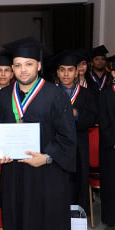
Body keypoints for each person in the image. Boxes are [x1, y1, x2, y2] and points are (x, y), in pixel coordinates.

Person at [0, 37, 77, 230]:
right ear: (13, 68)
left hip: (48, 175)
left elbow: (68, 138)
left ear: (38, 66)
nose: (23, 69)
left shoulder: (56, 95)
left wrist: (47, 158)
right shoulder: (2, 97)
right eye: (18, 65)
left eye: (29, 64)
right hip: (14, 174)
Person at [54, 50, 97, 213]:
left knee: (78, 184)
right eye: (62, 69)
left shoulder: (86, 94)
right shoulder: (49, 92)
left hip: (80, 146)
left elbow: (93, 117)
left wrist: (76, 114)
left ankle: (77, 221)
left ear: (76, 72)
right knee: (57, 185)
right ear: (57, 72)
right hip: (57, 146)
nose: (66, 74)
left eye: (70, 70)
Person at [99, 55, 115, 229]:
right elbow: (103, 122)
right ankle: (111, 219)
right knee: (111, 185)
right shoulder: (106, 94)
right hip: (111, 148)